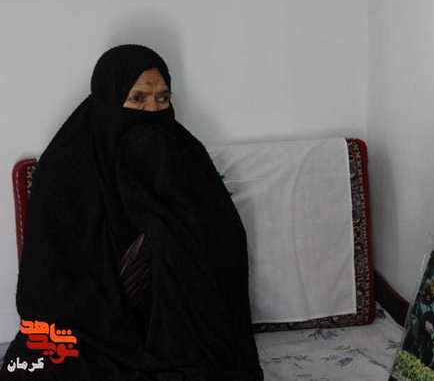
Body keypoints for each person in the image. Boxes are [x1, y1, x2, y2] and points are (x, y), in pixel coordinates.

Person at [0, 45, 263, 380]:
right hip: (90, 322)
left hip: (177, 323)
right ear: (109, 98)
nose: (152, 110)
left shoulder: (184, 153)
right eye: (138, 98)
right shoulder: (65, 167)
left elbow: (222, 243)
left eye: (162, 98)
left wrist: (167, 235)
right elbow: (51, 275)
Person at [404, 267, 434, 367]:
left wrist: (433, 333)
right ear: (432, 283)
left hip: (426, 354)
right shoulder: (419, 296)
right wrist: (422, 324)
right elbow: (410, 318)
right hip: (411, 347)